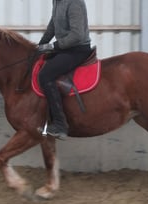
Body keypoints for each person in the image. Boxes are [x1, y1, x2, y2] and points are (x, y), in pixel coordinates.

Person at [37, 0, 91, 139]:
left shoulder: (75, 3)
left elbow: (77, 35)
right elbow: (53, 25)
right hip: (64, 48)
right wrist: (41, 45)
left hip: (77, 50)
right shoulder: (57, 2)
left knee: (45, 75)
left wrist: (53, 46)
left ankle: (61, 125)